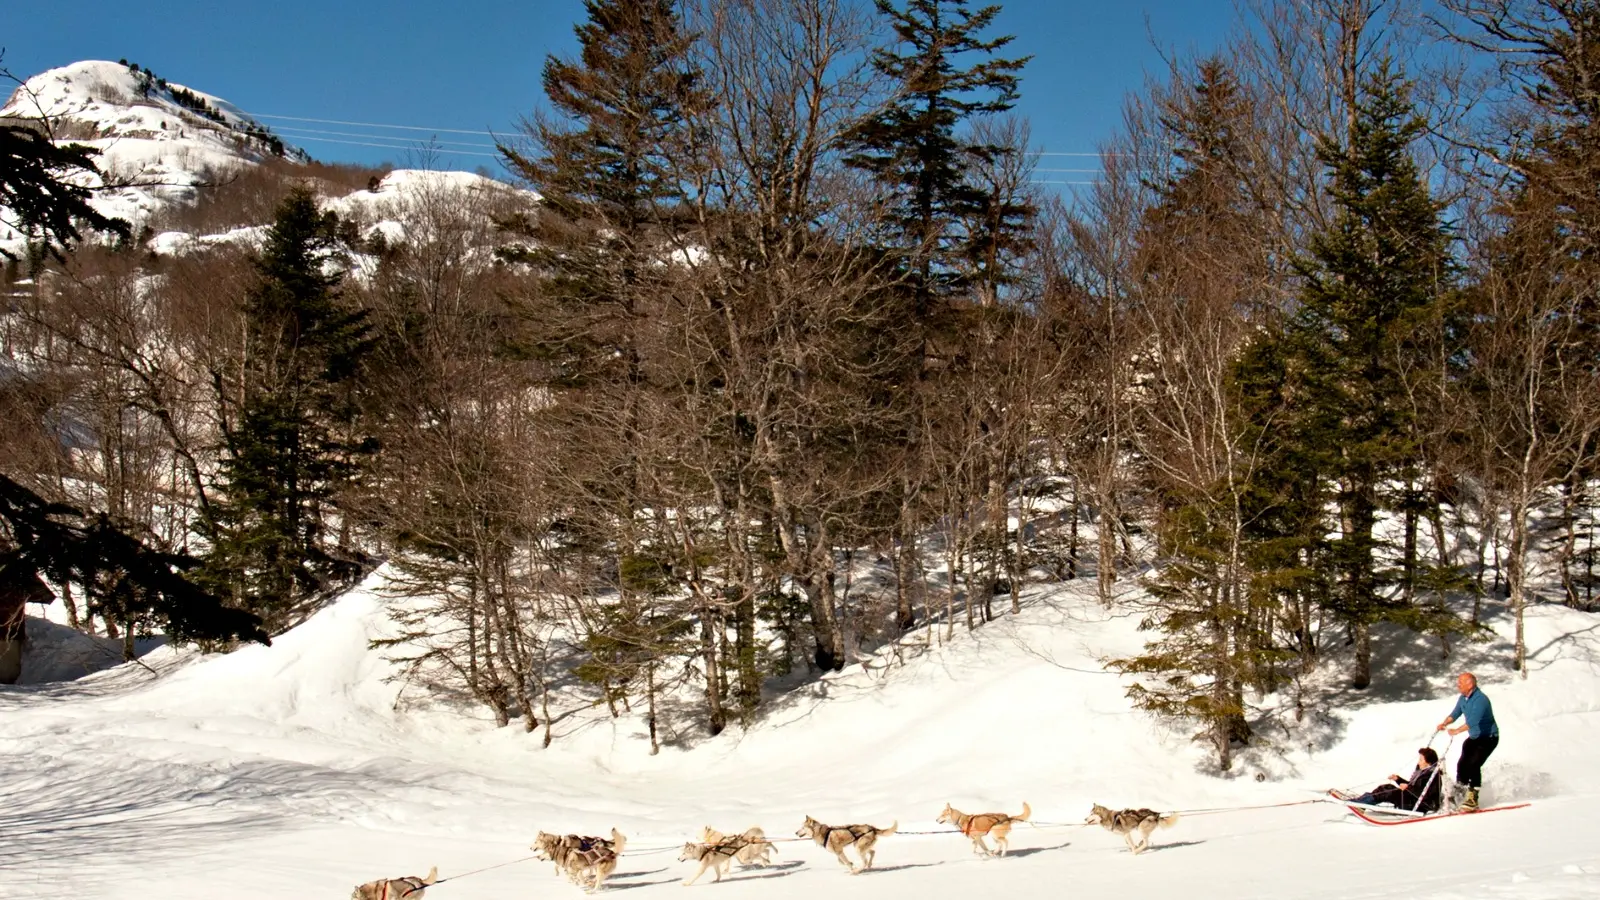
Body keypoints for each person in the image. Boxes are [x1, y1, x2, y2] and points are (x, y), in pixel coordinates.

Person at [1437, 671, 1499, 811]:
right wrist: (1444, 723)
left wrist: (1456, 731)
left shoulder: (1481, 700)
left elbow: (1472, 722)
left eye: (1460, 682)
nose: (1458, 685)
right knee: (1462, 764)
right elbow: (1455, 713)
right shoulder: (1463, 698)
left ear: (1470, 684)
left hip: (1488, 738)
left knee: (1474, 764)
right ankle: (1460, 793)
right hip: (1474, 738)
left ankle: (1473, 798)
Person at [1345, 747, 1444, 813]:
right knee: (1385, 787)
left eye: (1421, 760)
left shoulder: (1434, 776)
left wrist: (1408, 787)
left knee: (1388, 792)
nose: (1419, 762)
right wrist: (1398, 779)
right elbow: (1413, 786)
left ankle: (1360, 803)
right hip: (1412, 799)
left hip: (1419, 806)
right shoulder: (1423, 771)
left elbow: (1426, 795)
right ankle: (1361, 802)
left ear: (1429, 762)